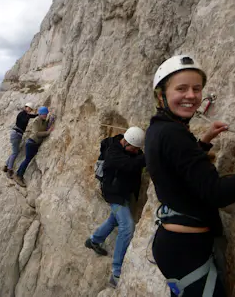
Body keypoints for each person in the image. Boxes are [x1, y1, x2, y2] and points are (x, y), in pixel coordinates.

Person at [146, 55, 235, 296]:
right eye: (181, 88)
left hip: (176, 245)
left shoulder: (159, 128)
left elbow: (180, 167)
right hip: (186, 249)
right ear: (161, 94)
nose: (192, 96)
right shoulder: (173, 134)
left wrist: (205, 141)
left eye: (197, 89)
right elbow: (214, 193)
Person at [85, 127, 146, 288]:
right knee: (127, 226)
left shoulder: (129, 148)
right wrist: (149, 157)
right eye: (135, 148)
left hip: (122, 193)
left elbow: (135, 161)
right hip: (113, 194)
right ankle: (116, 272)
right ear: (126, 143)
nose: (137, 151)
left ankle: (94, 240)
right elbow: (129, 165)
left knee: (114, 220)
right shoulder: (113, 153)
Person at [14, 106, 53, 187]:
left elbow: (46, 125)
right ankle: (18, 176)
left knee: (28, 159)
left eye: (46, 114)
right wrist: (47, 132)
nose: (45, 115)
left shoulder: (43, 120)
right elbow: (36, 133)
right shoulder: (36, 121)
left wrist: (50, 121)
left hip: (35, 144)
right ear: (40, 114)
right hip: (31, 143)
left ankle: (19, 174)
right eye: (44, 114)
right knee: (27, 159)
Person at [3, 102, 37, 179]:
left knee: (14, 152)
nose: (29, 110)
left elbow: (32, 116)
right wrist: (29, 116)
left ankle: (6, 166)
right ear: (25, 107)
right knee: (15, 152)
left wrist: (38, 115)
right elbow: (23, 121)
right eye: (29, 108)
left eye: (30, 109)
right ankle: (9, 170)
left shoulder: (25, 114)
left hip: (17, 134)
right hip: (16, 134)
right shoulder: (22, 114)